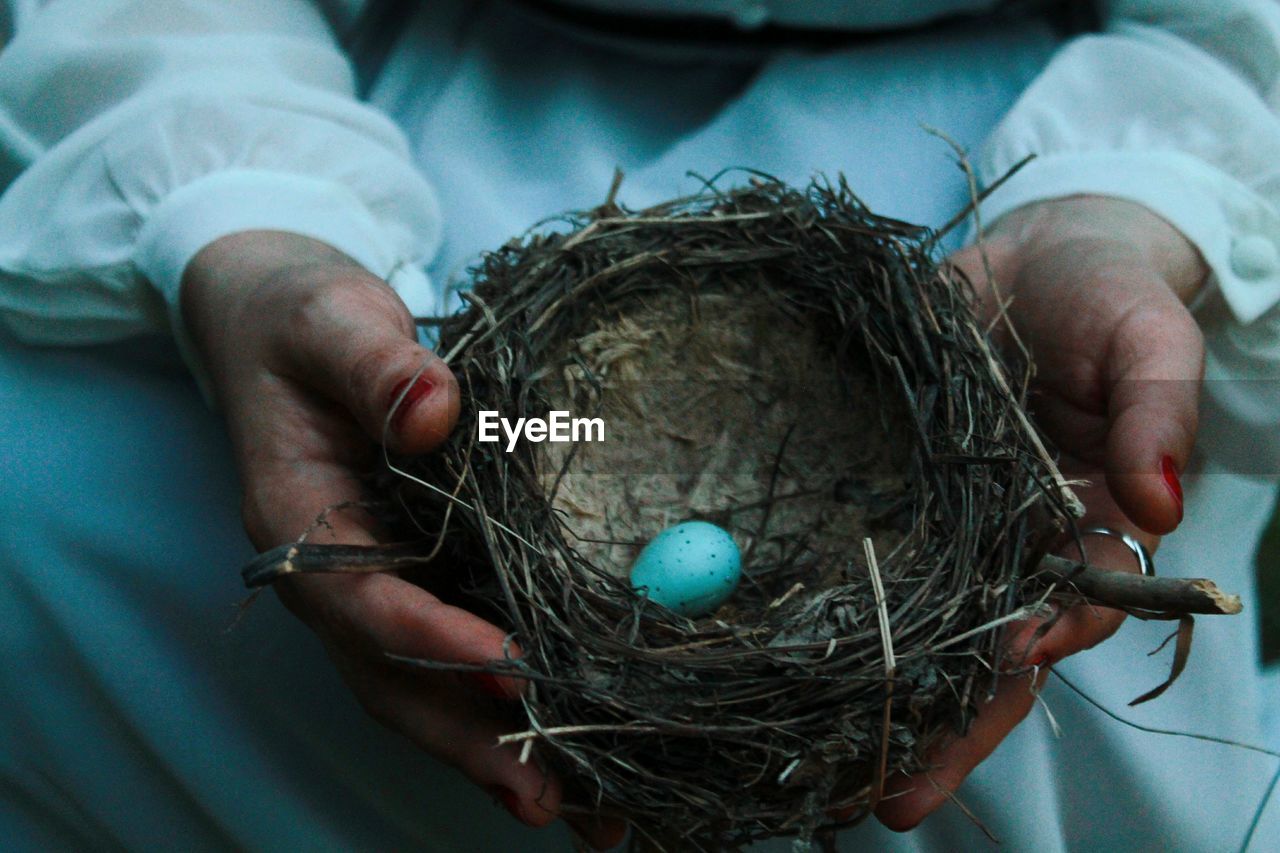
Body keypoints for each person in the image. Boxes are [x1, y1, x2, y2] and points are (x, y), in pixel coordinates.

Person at [2, 0, 1279, 848]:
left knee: (1005, 634)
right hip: (370, 107)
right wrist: (247, 222)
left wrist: (1143, 194)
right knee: (60, 494)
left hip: (1032, 151)